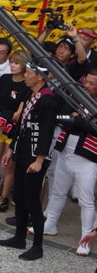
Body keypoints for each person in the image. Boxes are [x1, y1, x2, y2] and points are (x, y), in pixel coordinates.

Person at [0, 59, 58, 261]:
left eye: (29, 72)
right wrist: (11, 149)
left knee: (32, 201)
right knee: (20, 197)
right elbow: (23, 127)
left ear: (40, 76)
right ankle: (19, 237)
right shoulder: (33, 95)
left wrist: (39, 159)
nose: (25, 75)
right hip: (23, 152)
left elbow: (47, 132)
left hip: (34, 157)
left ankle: (37, 246)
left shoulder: (47, 99)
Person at [43, 66, 97, 251]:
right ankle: (50, 224)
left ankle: (85, 239)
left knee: (86, 199)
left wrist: (77, 120)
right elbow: (62, 117)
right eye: (86, 82)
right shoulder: (76, 96)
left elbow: (90, 127)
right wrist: (79, 121)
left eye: (92, 83)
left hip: (87, 158)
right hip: (65, 149)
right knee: (58, 190)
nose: (87, 86)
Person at [0, 47, 28, 211]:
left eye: (16, 63)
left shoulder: (27, 84)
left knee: (9, 166)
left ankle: (3, 197)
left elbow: (21, 110)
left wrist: (17, 114)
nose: (13, 65)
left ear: (24, 65)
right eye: (12, 62)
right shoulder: (4, 79)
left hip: (14, 129)